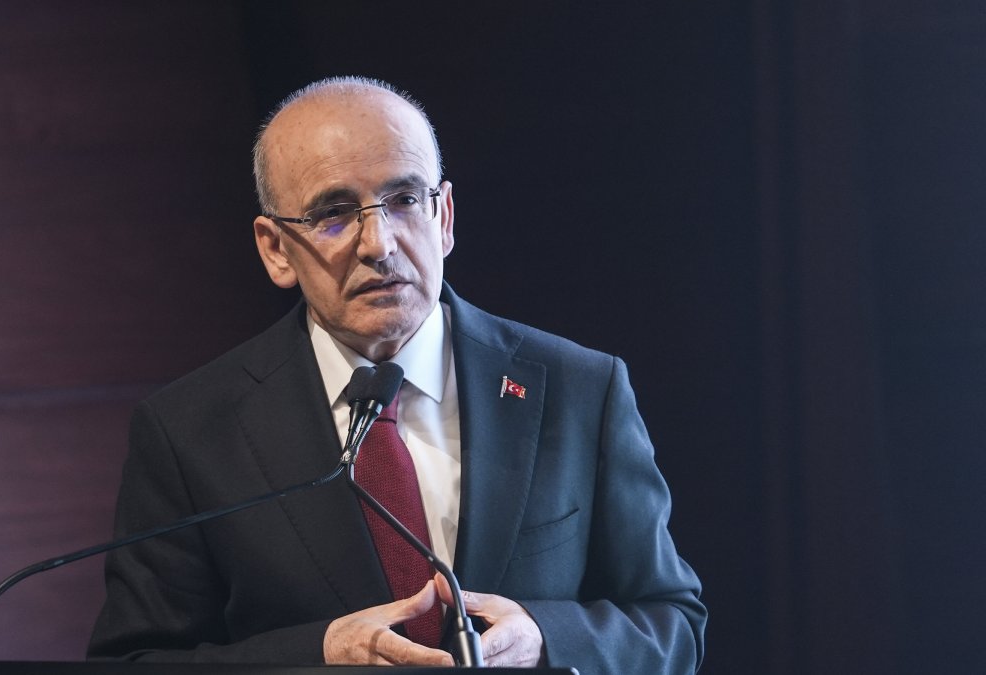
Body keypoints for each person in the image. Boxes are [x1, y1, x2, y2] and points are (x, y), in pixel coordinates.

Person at [88, 76, 706, 672]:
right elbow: (136, 661)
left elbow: (670, 622)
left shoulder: (578, 390)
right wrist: (318, 657)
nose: (378, 243)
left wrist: (547, 637)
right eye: (333, 212)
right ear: (276, 248)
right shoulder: (190, 431)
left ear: (444, 217)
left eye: (405, 200)